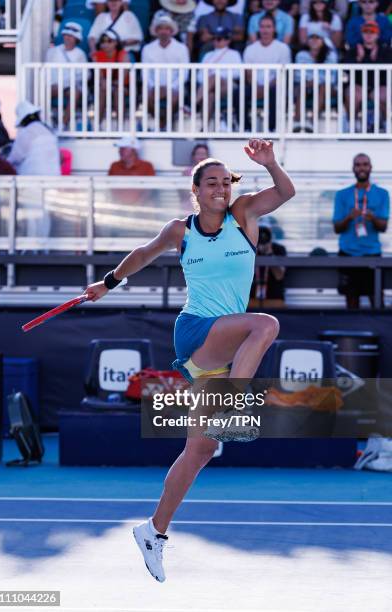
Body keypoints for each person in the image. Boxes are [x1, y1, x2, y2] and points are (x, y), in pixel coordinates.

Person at [84, 138, 295, 582]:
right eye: (211, 183)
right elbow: (143, 254)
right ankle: (236, 408)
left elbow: (285, 193)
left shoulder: (245, 216)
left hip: (224, 349)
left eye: (226, 182)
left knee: (199, 450)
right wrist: (108, 282)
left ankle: (153, 530)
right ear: (195, 190)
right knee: (265, 325)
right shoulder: (181, 230)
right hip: (199, 332)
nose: (220, 188)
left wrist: (271, 162)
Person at [333, 153, 389, 309]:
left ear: (370, 168)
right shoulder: (341, 195)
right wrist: (349, 217)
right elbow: (337, 228)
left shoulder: (382, 194)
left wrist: (372, 218)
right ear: (353, 169)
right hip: (348, 253)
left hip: (372, 254)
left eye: (365, 164)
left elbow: (383, 227)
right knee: (351, 301)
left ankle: (381, 332)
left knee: (377, 300)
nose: (361, 168)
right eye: (358, 165)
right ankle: (351, 332)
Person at [243, 13, 291, 131]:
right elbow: (248, 74)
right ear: (259, 29)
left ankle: (271, 128)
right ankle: (245, 128)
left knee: (276, 92)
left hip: (274, 86)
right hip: (255, 86)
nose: (265, 30)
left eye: (268, 26)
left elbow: (282, 73)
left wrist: (266, 88)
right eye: (263, 26)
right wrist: (256, 87)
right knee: (238, 93)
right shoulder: (250, 49)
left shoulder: (283, 48)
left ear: (274, 29)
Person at [141, 15, 190, 129]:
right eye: (161, 28)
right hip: (153, 86)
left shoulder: (181, 48)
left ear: (172, 31)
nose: (164, 31)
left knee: (174, 95)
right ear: (156, 31)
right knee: (146, 95)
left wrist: (171, 87)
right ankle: (161, 123)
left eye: (167, 29)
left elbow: (184, 73)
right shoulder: (148, 48)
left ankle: (164, 125)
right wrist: (154, 86)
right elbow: (145, 72)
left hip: (176, 87)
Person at [343, 21, 392, 131]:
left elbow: (387, 71)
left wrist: (376, 60)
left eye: (372, 32)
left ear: (377, 35)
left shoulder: (386, 51)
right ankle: (352, 125)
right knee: (352, 92)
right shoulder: (353, 50)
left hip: (380, 86)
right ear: (361, 34)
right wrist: (359, 59)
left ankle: (386, 124)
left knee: (383, 94)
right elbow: (346, 69)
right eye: (366, 31)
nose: (369, 34)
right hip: (358, 85)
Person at [196, 27, 242, 128]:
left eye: (219, 39)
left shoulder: (234, 54)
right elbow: (199, 76)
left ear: (228, 40)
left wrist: (218, 74)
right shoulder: (208, 55)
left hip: (228, 85)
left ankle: (194, 104)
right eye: (214, 39)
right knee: (210, 96)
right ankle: (204, 128)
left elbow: (238, 73)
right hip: (209, 87)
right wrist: (211, 78)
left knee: (215, 76)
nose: (216, 41)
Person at [293, 31, 337, 131]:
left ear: (323, 41)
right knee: (303, 86)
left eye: (317, 38)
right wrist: (311, 81)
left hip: (327, 87)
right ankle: (297, 122)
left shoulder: (330, 55)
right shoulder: (301, 55)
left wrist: (315, 80)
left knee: (322, 87)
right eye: (311, 38)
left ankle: (312, 123)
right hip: (305, 84)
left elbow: (331, 77)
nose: (314, 40)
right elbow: (297, 75)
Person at [45, 22, 87, 128]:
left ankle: (63, 124)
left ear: (76, 39)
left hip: (70, 86)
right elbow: (46, 71)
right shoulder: (52, 51)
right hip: (54, 85)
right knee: (43, 93)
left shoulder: (81, 54)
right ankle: (45, 120)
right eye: (66, 35)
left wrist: (65, 84)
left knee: (75, 93)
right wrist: (53, 84)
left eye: (71, 36)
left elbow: (84, 75)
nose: (68, 38)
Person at [7, 101, 61, 175]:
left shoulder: (26, 132)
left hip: (32, 179)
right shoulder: (48, 130)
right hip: (53, 177)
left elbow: (15, 157)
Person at [92, 29, 130, 124]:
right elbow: (99, 77)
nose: (106, 44)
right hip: (104, 85)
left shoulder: (123, 55)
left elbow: (122, 78)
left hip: (122, 86)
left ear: (116, 43)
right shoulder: (96, 56)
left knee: (118, 91)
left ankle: (121, 127)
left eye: (109, 41)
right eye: (103, 41)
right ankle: (97, 126)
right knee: (102, 90)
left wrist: (112, 83)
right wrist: (104, 82)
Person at [108, 137, 155, 207]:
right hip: (118, 208)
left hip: (141, 209)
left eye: (123, 149)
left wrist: (138, 206)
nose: (120, 151)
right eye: (120, 149)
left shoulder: (147, 166)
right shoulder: (114, 166)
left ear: (133, 150)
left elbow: (150, 190)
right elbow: (109, 188)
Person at [248, 223, 287, 308]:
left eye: (266, 236)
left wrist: (269, 253)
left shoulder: (278, 249)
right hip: (252, 299)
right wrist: (254, 250)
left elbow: (279, 275)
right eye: (259, 235)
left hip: (273, 298)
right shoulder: (248, 248)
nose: (262, 238)